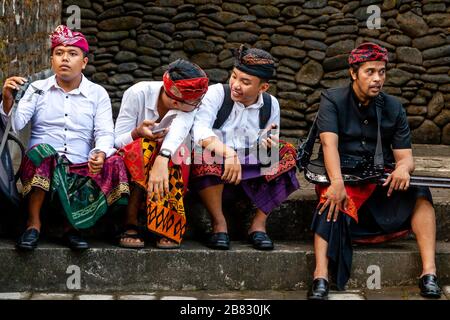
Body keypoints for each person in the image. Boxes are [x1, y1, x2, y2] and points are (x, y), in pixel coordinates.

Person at [307, 42, 441, 299]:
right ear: (353, 72)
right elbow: (328, 144)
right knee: (330, 199)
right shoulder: (332, 100)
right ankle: (320, 275)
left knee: (420, 192)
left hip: (379, 179)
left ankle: (429, 273)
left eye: (381, 71)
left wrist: (402, 169)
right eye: (370, 71)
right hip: (341, 175)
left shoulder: (393, 107)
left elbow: (406, 158)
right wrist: (336, 182)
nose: (377, 78)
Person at [0, 25, 129, 251]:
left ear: (84, 62)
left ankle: (73, 227)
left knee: (115, 161)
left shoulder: (97, 94)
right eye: (59, 54)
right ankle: (33, 224)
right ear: (52, 61)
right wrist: (8, 99)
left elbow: (105, 133)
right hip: (44, 165)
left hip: (80, 166)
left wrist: (99, 153)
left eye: (72, 54)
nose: (65, 59)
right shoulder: (37, 89)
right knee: (43, 152)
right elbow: (17, 124)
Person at [190, 45, 300, 251]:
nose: (236, 85)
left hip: (247, 170)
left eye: (245, 82)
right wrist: (229, 154)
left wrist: (266, 143)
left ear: (263, 87)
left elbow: (270, 140)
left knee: (287, 152)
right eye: (234, 76)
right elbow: (199, 131)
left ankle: (258, 225)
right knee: (201, 154)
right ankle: (219, 224)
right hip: (215, 172)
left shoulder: (270, 104)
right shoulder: (216, 94)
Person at [114, 59, 208, 249]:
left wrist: (162, 159)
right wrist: (137, 133)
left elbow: (177, 135)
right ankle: (130, 220)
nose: (198, 106)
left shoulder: (188, 103)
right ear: (175, 102)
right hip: (134, 159)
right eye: (196, 104)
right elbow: (116, 141)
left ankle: (166, 224)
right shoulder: (137, 93)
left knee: (178, 152)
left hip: (171, 159)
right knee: (145, 146)